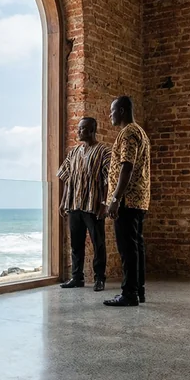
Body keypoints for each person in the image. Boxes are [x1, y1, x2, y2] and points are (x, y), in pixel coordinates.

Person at [103, 96, 150, 307]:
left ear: (121, 110)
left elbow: (126, 166)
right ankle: (138, 290)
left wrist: (115, 198)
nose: (110, 115)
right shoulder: (141, 132)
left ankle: (129, 293)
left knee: (127, 249)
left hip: (127, 201)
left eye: (112, 111)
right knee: (136, 247)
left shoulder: (129, 132)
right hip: (139, 200)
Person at [57, 117, 111, 292]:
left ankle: (99, 279)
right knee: (76, 244)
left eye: (83, 129)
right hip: (74, 205)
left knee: (98, 243)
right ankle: (77, 277)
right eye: (79, 129)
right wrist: (64, 201)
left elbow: (107, 180)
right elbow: (66, 177)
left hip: (93, 205)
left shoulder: (104, 151)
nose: (79, 132)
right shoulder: (74, 152)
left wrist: (104, 204)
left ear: (92, 130)